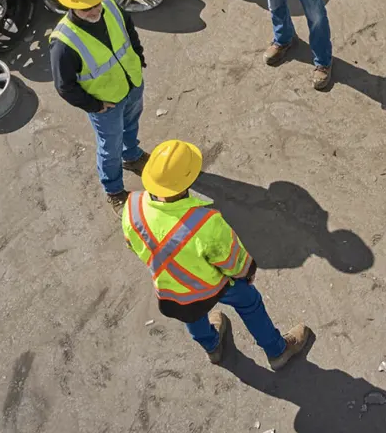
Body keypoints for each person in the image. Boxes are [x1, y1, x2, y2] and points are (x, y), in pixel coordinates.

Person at [122, 139, 311, 368]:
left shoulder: (131, 207)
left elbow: (133, 244)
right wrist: (247, 271)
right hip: (215, 285)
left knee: (192, 314)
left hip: (172, 289)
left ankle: (212, 346)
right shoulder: (205, 223)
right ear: (187, 180)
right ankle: (277, 350)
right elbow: (232, 260)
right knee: (250, 303)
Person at [49, 0, 148, 215]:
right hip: (105, 103)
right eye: (86, 8)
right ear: (71, 6)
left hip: (132, 83)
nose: (94, 11)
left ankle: (133, 155)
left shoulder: (109, 5)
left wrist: (139, 58)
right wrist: (95, 106)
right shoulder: (64, 43)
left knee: (132, 123)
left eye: (95, 4)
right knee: (109, 147)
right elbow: (64, 86)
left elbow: (129, 31)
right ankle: (114, 190)